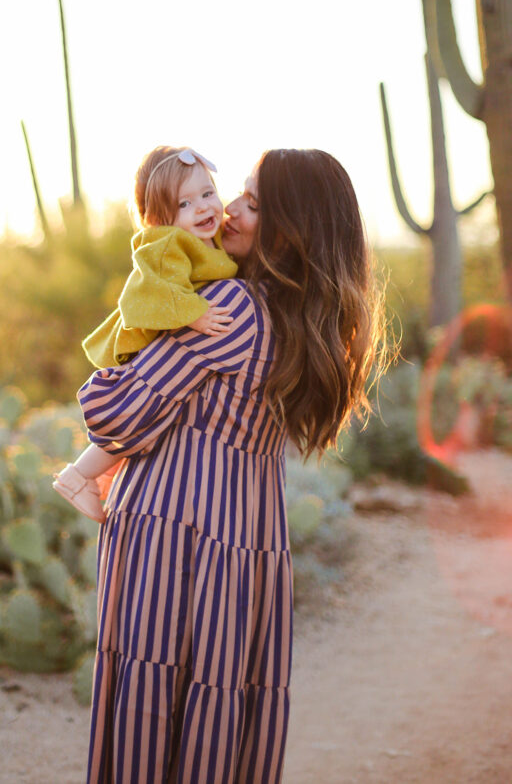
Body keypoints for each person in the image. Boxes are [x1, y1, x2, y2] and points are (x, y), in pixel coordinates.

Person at [76, 148, 386, 783]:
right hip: (247, 539)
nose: (231, 212)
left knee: (150, 708)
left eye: (254, 202)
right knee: (216, 719)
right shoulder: (299, 322)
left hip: (173, 532)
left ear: (292, 229)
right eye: (237, 194)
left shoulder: (234, 308)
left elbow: (117, 416)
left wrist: (116, 371)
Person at [53, 146, 238, 522]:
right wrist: (195, 313)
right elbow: (145, 294)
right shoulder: (166, 243)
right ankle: (77, 476)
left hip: (166, 352)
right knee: (134, 417)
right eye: (184, 204)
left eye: (207, 194)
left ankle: (99, 480)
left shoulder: (207, 241)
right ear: (158, 218)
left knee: (148, 429)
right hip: (143, 349)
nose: (203, 208)